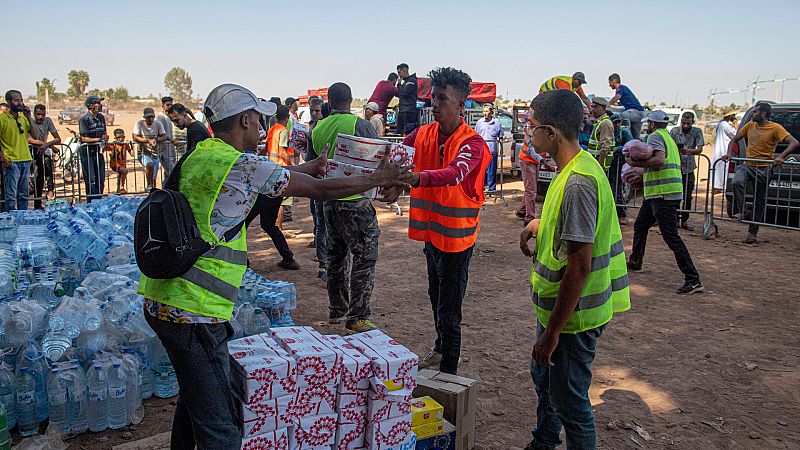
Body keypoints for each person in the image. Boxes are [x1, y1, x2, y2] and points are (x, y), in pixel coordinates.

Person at [138, 83, 411, 450]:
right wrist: (378, 179)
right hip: (194, 310)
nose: (261, 127)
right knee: (221, 425)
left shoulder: (203, 154)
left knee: (196, 401)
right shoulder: (240, 164)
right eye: (257, 120)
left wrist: (309, 168)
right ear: (246, 120)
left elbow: (261, 181)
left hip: (164, 298)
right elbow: (322, 190)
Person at [519, 88, 630, 450]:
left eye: (531, 126)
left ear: (550, 133)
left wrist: (552, 334)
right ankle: (545, 439)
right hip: (557, 312)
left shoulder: (579, 181)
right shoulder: (570, 169)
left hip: (572, 319)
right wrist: (538, 227)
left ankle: (556, 437)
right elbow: (570, 232)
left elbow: (580, 267)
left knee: (571, 403)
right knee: (545, 379)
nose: (528, 133)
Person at [400, 67, 490, 374]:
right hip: (432, 236)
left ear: (461, 104)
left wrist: (412, 178)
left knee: (449, 311)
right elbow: (399, 152)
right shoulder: (422, 134)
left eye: (442, 98)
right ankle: (440, 350)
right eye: (432, 97)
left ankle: (449, 375)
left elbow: (455, 174)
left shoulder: (473, 143)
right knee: (435, 296)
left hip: (457, 241)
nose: (434, 104)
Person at [310, 82, 382, 332]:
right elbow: (379, 157)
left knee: (336, 255)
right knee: (365, 255)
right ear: (351, 101)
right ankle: (358, 315)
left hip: (328, 200)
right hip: (355, 200)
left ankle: (337, 310)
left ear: (330, 101)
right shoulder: (359, 125)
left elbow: (312, 164)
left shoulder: (318, 127)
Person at [627, 110, 703, 294]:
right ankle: (635, 261)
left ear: (652, 124)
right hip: (660, 193)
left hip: (663, 194)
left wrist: (636, 164)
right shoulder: (667, 137)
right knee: (640, 225)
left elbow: (659, 161)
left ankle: (693, 279)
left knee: (671, 236)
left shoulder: (654, 137)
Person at [723, 102, 800, 243]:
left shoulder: (775, 128)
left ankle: (752, 233)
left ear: (763, 114)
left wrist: (781, 156)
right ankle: (743, 210)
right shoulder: (750, 125)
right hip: (748, 165)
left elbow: (794, 142)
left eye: (755, 112)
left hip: (764, 168)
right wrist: (728, 153)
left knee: (759, 201)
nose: (753, 114)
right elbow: (734, 139)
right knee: (736, 182)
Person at [669, 112, 704, 231]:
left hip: (689, 167)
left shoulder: (697, 132)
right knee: (674, 195)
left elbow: (699, 149)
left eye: (688, 123)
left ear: (692, 122)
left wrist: (687, 151)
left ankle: (684, 220)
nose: (685, 125)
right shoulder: (674, 131)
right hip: (675, 168)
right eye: (683, 123)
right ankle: (673, 220)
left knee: (688, 196)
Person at [305, 97, 328, 278]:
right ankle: (323, 264)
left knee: (322, 224)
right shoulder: (312, 129)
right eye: (312, 111)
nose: (314, 114)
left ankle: (324, 263)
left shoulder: (318, 129)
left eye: (317, 111)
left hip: (324, 183)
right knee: (321, 223)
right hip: (319, 183)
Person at [0, 90, 33, 211]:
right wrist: (3, 159)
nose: (20, 103)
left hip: (25, 159)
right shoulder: (2, 118)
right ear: (9, 102)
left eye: (21, 100)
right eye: (16, 100)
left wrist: (29, 117)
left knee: (23, 195)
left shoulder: (23, 118)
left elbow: (33, 133)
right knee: (11, 196)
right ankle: (12, 219)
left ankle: (23, 218)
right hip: (11, 161)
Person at [27, 104, 61, 208]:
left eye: (42, 114)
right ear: (34, 114)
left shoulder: (48, 121)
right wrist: (47, 145)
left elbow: (58, 139)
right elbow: (30, 139)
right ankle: (32, 203)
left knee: (47, 172)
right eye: (38, 114)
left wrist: (47, 145)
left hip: (43, 151)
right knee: (34, 177)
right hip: (30, 151)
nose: (40, 117)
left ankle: (48, 195)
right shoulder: (29, 120)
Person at [514, 117, 546, 225]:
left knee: (530, 188)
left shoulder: (541, 125)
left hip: (533, 161)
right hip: (528, 160)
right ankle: (529, 218)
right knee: (531, 191)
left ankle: (522, 211)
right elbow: (531, 149)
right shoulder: (530, 126)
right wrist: (541, 160)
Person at [78, 95, 108, 201]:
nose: (100, 105)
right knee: (91, 180)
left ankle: (98, 201)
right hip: (87, 154)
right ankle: (91, 202)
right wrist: (98, 139)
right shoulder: (84, 119)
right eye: (98, 103)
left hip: (98, 153)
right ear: (91, 106)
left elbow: (104, 133)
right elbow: (84, 138)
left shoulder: (101, 117)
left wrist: (105, 140)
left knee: (100, 179)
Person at [132, 107, 167, 191]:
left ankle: (152, 189)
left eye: (152, 117)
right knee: (150, 165)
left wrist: (156, 140)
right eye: (148, 117)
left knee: (153, 174)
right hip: (143, 152)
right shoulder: (139, 124)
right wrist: (147, 141)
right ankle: (149, 185)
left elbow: (164, 136)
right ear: (144, 117)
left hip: (155, 153)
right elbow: (135, 137)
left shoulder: (158, 124)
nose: (150, 119)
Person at [610, 114, 634, 224]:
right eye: (614, 122)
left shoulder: (623, 133)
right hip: (611, 164)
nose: (616, 125)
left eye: (618, 122)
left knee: (617, 188)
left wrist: (618, 149)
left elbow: (630, 145)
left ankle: (621, 212)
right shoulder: (609, 131)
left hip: (620, 164)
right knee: (612, 187)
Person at [474, 105, 504, 192]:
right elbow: (476, 136)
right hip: (482, 150)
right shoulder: (480, 122)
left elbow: (500, 136)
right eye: (484, 111)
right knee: (481, 170)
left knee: (492, 171)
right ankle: (480, 187)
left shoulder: (496, 122)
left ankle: (492, 188)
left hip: (492, 150)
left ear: (491, 112)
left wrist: (501, 148)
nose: (485, 113)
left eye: (487, 111)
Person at [608, 73, 646, 139]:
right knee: (635, 136)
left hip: (636, 112)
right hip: (640, 114)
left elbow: (617, 97)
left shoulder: (620, 88)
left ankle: (624, 132)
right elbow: (624, 102)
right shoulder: (624, 89)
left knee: (622, 116)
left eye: (610, 82)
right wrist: (616, 104)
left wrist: (608, 104)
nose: (609, 85)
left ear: (614, 81)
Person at [711, 108, 738, 193]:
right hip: (724, 148)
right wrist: (735, 125)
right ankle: (719, 186)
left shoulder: (721, 123)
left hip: (721, 147)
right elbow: (734, 135)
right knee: (722, 168)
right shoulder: (725, 125)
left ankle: (718, 186)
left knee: (720, 167)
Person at [587, 97, 614, 171]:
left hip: (599, 164)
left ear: (603, 108)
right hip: (594, 162)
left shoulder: (605, 123)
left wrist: (599, 165)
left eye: (595, 107)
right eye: (591, 107)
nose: (592, 109)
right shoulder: (600, 122)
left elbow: (605, 147)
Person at [103, 129, 132, 193]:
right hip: (115, 164)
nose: (121, 139)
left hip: (122, 164)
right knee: (124, 171)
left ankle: (118, 189)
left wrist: (131, 145)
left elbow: (132, 154)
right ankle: (122, 186)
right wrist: (106, 142)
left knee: (121, 175)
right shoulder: (113, 145)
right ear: (115, 138)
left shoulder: (125, 144)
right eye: (119, 137)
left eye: (122, 137)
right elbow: (104, 149)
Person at [156, 96, 179, 181]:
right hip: (164, 149)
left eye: (171, 105)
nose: (169, 107)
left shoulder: (170, 117)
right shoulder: (160, 117)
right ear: (163, 105)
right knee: (172, 173)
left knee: (167, 175)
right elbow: (162, 134)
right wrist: (171, 140)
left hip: (171, 149)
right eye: (167, 105)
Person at [396, 63, 419, 135]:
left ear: (404, 71)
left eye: (399, 72)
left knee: (409, 131)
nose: (398, 75)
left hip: (409, 110)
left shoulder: (411, 81)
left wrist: (399, 84)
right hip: (403, 109)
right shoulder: (406, 82)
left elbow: (405, 92)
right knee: (401, 131)